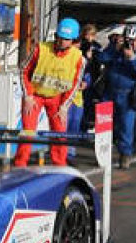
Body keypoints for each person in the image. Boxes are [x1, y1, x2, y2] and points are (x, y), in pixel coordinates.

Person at [13, 18, 84, 167]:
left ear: (73, 40)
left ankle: (59, 165)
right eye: (59, 37)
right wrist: (28, 95)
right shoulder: (40, 48)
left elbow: (75, 84)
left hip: (58, 99)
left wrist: (64, 106)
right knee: (28, 131)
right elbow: (24, 70)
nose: (61, 42)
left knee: (59, 133)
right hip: (35, 96)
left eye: (66, 39)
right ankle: (20, 164)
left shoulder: (79, 58)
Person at [97, 24, 136, 169]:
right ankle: (102, 154)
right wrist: (114, 49)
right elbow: (101, 58)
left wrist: (132, 58)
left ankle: (125, 154)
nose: (129, 43)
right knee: (104, 125)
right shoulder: (115, 48)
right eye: (127, 39)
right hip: (110, 91)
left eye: (132, 40)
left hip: (128, 95)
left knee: (126, 127)